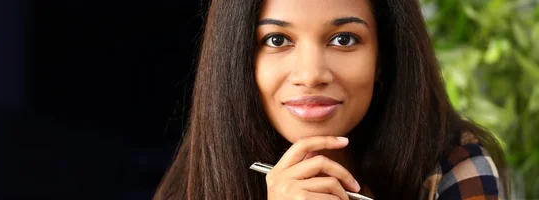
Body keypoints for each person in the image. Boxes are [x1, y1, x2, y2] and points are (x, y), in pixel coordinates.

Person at [153, 0, 509, 199]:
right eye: (277, 40)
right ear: (238, 60)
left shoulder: (455, 166)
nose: (310, 74)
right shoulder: (193, 185)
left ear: (382, 57)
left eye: (343, 39)